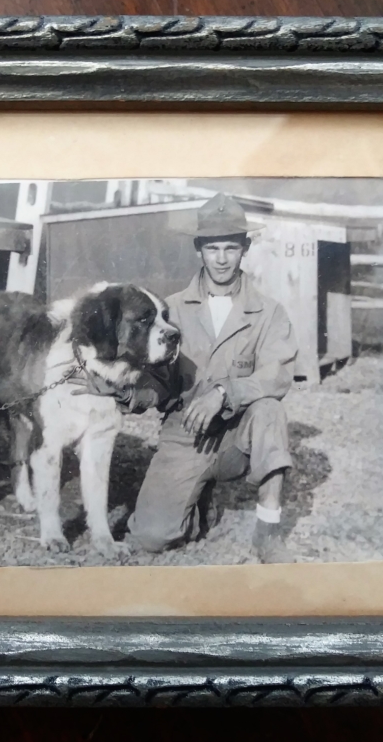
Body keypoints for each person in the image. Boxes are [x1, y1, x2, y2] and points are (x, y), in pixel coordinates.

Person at [74, 193, 298, 562]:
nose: (222, 258)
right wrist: (126, 394)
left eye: (230, 247)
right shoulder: (170, 309)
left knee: (270, 411)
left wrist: (225, 393)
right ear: (199, 250)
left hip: (237, 434)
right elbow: (160, 385)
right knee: (150, 537)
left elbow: (276, 377)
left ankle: (268, 533)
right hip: (186, 434)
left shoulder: (269, 313)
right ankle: (196, 508)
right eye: (213, 248)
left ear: (245, 248)